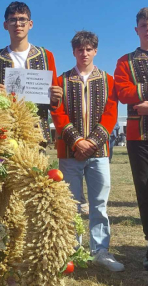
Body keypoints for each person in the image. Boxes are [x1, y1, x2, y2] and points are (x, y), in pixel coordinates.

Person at [51, 30, 124, 272]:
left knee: (99, 203)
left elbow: (111, 113)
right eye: (80, 49)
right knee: (70, 203)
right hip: (69, 153)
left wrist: (91, 142)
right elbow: (57, 113)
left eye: (89, 49)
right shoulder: (61, 80)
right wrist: (75, 141)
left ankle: (101, 250)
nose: (84, 53)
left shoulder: (108, 79)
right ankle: (71, 250)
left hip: (99, 152)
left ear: (95, 51)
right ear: (73, 52)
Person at [0, 1, 62, 142]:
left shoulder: (46, 56)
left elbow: (53, 99)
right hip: (4, 133)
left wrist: (56, 97)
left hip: (37, 132)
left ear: (30, 24)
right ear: (5, 25)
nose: (18, 24)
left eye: (22, 19)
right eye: (12, 20)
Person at [114, 7, 148, 270]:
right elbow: (123, 92)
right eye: (144, 24)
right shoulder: (125, 61)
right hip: (140, 135)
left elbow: (132, 92)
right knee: (145, 189)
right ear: (136, 30)